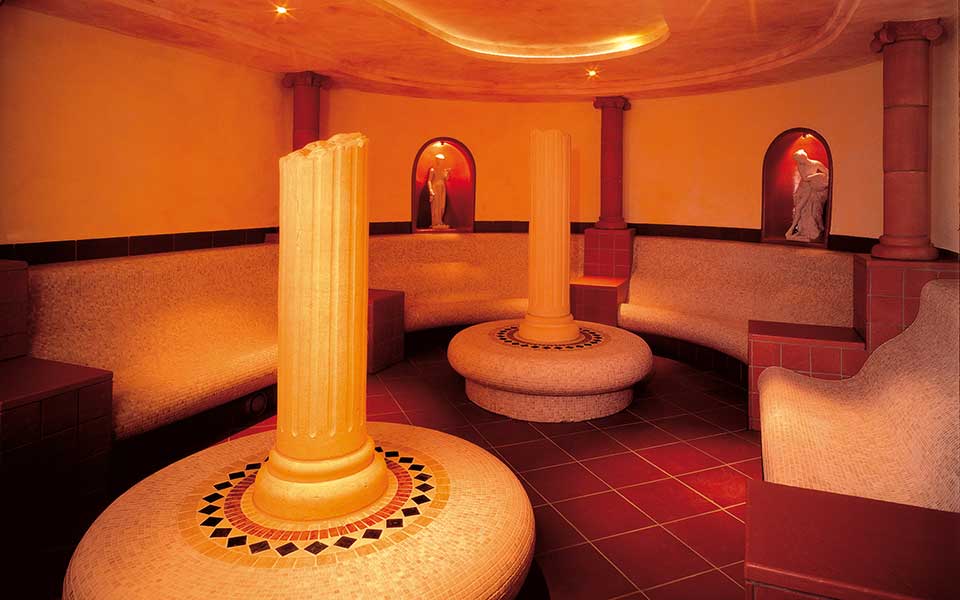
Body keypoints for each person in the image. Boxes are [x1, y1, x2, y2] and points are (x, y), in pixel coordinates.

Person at [786, 149, 829, 241]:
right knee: (799, 209)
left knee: (801, 209)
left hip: (810, 189)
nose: (799, 163)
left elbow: (827, 172)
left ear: (803, 157)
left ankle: (792, 229)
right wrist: (816, 176)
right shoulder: (800, 165)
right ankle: (797, 229)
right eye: (797, 161)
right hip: (802, 188)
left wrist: (820, 177)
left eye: (799, 160)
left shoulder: (816, 163)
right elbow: (805, 178)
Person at [427, 155, 451, 229]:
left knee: (442, 205)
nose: (441, 161)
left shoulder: (443, 170)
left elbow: (446, 179)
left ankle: (440, 221)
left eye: (442, 160)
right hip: (435, 187)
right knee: (435, 206)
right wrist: (430, 190)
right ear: (436, 160)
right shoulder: (432, 170)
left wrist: (447, 173)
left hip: (442, 188)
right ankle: (435, 222)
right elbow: (429, 181)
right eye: (440, 160)